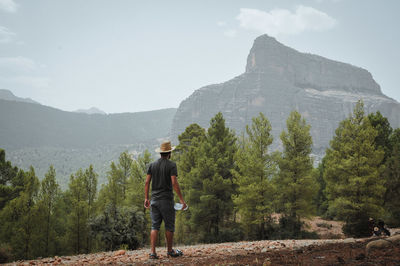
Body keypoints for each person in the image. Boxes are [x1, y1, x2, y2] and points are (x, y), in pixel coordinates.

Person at [144, 140, 187, 259]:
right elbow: (174, 182)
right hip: (166, 201)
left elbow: (147, 182)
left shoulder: (152, 165)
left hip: (154, 200)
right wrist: (182, 200)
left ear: (160, 153)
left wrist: (146, 198)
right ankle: (169, 251)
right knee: (169, 226)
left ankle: (152, 253)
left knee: (154, 226)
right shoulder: (172, 165)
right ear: (169, 153)